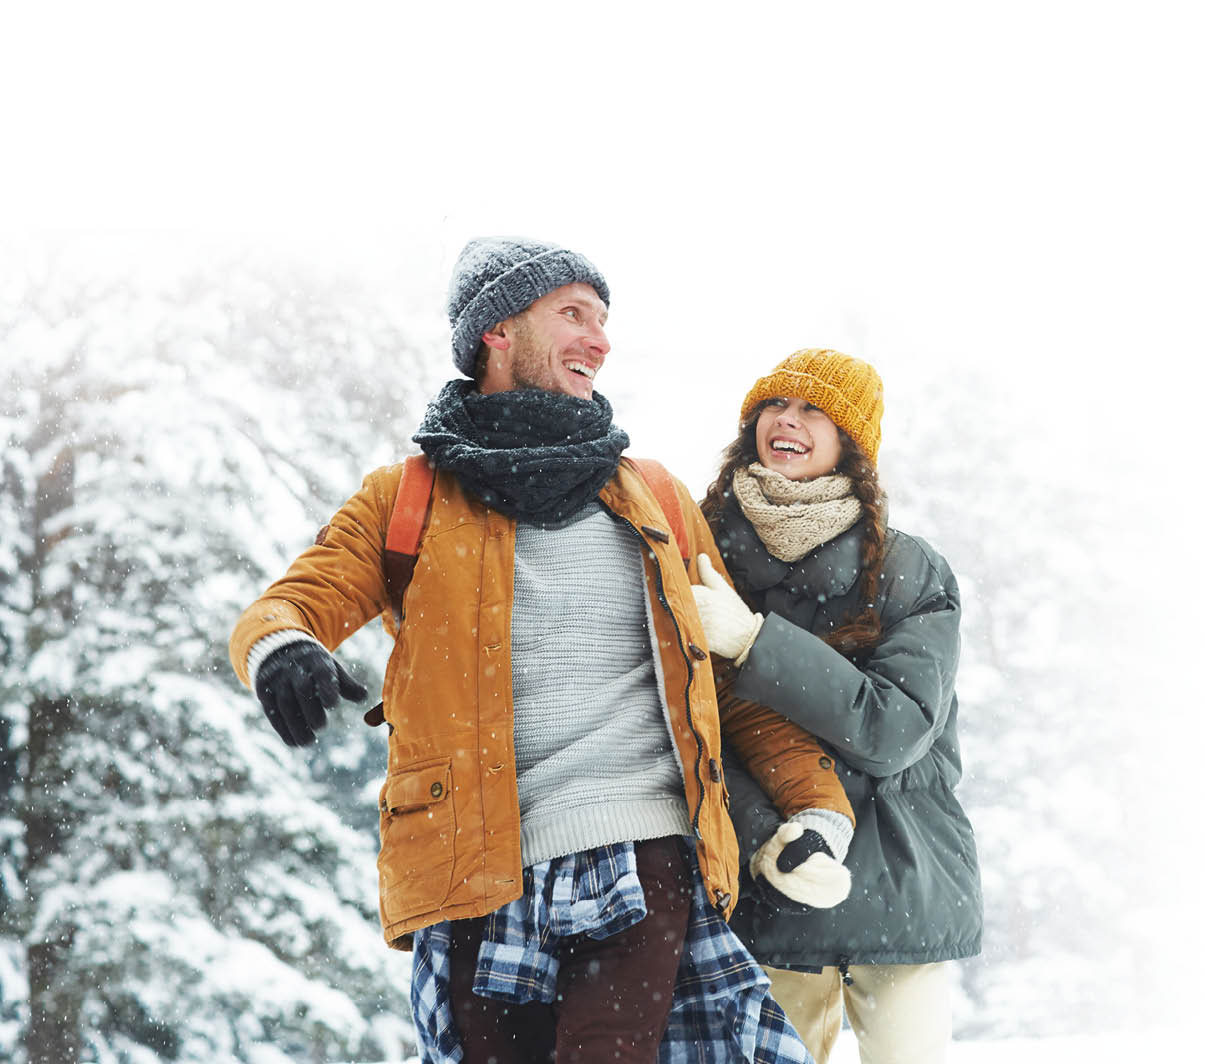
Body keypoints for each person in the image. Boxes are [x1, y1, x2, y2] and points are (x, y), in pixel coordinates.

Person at [228, 240, 851, 1063]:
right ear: (496, 331)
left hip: (644, 851)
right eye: (572, 314)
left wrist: (815, 808)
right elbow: (293, 602)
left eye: (602, 320)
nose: (599, 339)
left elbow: (721, 678)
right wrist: (279, 648)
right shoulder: (408, 497)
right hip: (477, 866)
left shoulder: (654, 497)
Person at [690, 349, 984, 1064]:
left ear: (851, 442)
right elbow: (691, 734)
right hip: (771, 891)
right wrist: (771, 842)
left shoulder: (910, 568)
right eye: (774, 406)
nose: (786, 422)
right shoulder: (701, 556)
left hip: (901, 889)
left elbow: (893, 729)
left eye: (812, 410)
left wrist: (756, 645)